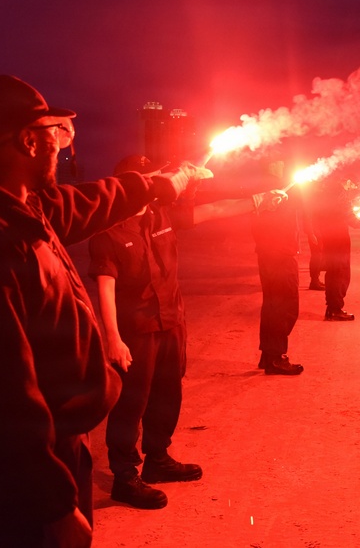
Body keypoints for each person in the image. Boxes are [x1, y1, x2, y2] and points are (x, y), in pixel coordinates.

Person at [0, 75, 206, 548]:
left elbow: (92, 201)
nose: (62, 149)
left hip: (53, 453)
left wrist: (158, 185)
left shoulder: (22, 208)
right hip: (24, 476)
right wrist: (52, 505)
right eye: (56, 136)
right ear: (28, 141)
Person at [88, 154, 267, 510]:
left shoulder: (160, 216)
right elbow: (105, 287)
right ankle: (124, 476)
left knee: (168, 393)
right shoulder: (106, 234)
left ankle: (158, 460)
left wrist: (257, 200)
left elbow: (213, 210)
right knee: (131, 402)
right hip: (135, 330)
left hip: (171, 322)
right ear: (126, 187)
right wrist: (113, 338)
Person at [251, 158, 304, 375]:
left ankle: (269, 355)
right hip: (278, 255)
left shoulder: (268, 190)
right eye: (279, 161)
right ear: (270, 164)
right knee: (284, 307)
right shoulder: (271, 191)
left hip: (273, 254)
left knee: (274, 305)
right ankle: (275, 357)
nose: (283, 165)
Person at [310, 174, 360, 321]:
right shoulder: (340, 194)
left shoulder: (326, 192)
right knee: (340, 273)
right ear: (345, 179)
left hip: (330, 237)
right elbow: (350, 218)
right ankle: (335, 309)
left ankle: (332, 308)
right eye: (351, 182)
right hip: (339, 238)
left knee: (333, 272)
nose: (352, 186)